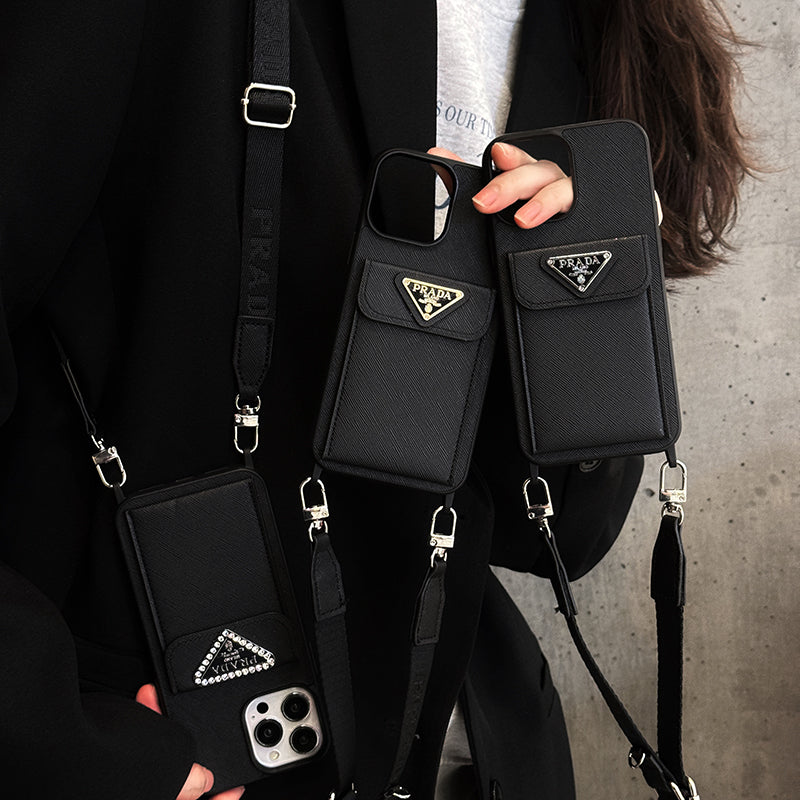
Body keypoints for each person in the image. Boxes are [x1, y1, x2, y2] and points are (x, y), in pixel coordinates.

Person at [0, 1, 753, 799]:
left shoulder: (605, 30)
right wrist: (46, 736)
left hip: (459, 739)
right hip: (188, 727)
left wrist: (585, 303)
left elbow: (560, 534)